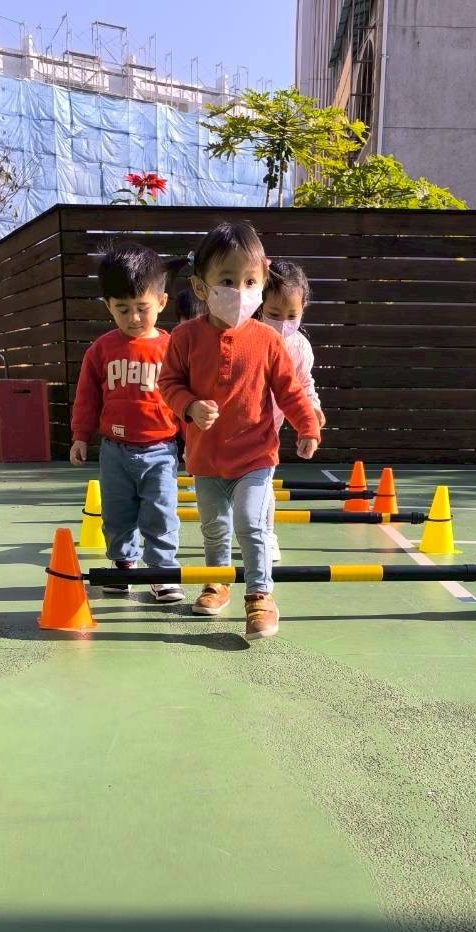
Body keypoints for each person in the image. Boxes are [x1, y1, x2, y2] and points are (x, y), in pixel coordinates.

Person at [158, 221, 321, 641]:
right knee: (214, 527)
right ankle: (217, 581)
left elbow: (290, 390)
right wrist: (189, 405)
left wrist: (307, 425)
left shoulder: (268, 340)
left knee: (251, 523)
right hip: (206, 458)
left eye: (250, 282)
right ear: (201, 287)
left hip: (255, 456)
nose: (240, 291)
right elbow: (168, 383)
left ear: (263, 281)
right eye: (227, 281)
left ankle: (260, 595)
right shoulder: (184, 337)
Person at [69, 241, 184, 603]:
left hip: (160, 450)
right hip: (114, 451)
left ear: (161, 302)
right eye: (122, 309)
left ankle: (162, 572)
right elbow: (87, 397)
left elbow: (186, 398)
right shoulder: (101, 350)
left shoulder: (173, 349)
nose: (133, 318)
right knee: (117, 514)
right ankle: (122, 566)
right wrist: (80, 436)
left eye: (142, 308)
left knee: (161, 513)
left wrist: (196, 443)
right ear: (108, 306)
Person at [258, 259, 326, 562]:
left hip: (268, 428)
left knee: (263, 484)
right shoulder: (248, 336)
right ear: (260, 306)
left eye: (292, 316)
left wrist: (313, 408)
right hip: (233, 423)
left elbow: (304, 383)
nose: (283, 322)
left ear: (303, 309)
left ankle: (267, 534)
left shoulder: (299, 347)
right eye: (274, 314)